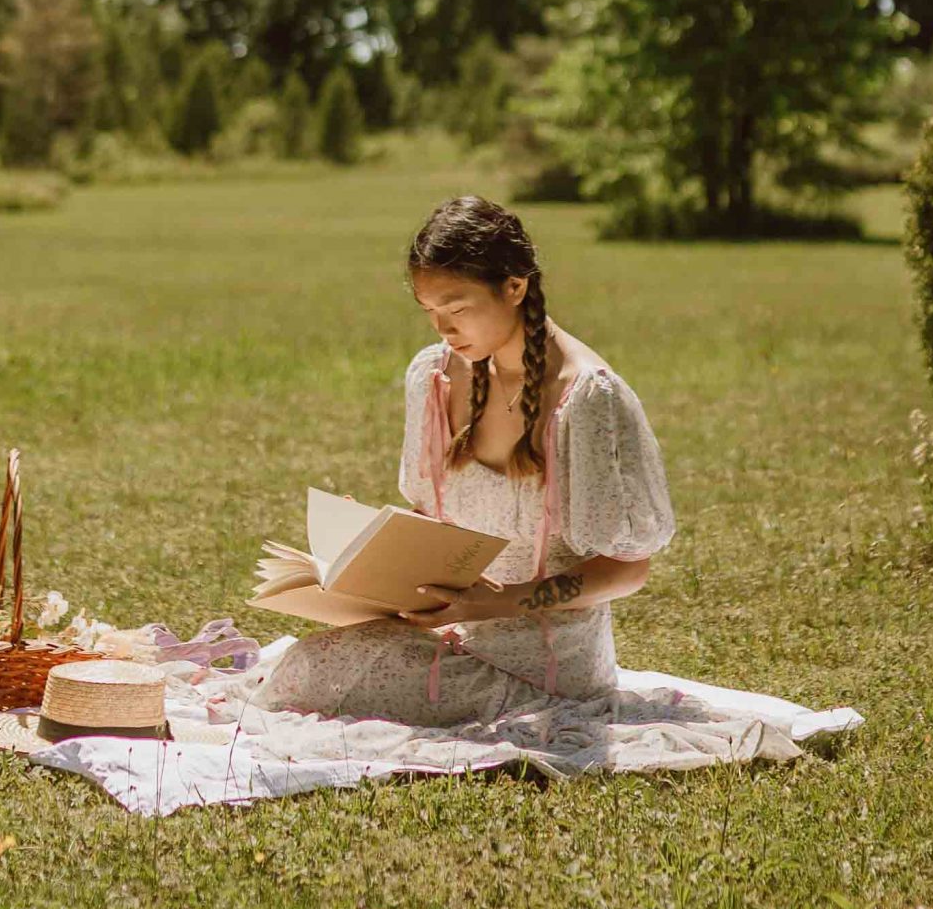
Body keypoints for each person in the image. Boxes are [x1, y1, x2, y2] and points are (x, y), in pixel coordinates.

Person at [247, 193, 676, 724]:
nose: (443, 329)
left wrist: (492, 604)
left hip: (547, 668)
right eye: (430, 312)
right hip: (446, 632)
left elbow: (627, 571)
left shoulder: (586, 399)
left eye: (457, 309)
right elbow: (438, 525)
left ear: (515, 286)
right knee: (310, 665)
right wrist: (370, 545)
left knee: (316, 678)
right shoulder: (436, 376)